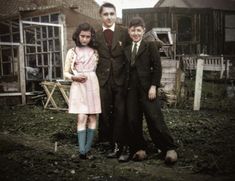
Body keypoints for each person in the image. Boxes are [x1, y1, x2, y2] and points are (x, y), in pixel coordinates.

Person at [125, 17, 178, 164]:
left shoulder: (150, 46)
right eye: (133, 30)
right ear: (129, 31)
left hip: (148, 89)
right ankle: (140, 148)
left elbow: (157, 68)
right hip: (131, 91)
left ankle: (168, 148)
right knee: (133, 120)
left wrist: (154, 86)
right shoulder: (127, 49)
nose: (135, 33)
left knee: (154, 118)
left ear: (143, 31)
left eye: (138, 30)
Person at [95, 2, 131, 162]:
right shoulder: (95, 35)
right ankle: (110, 142)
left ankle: (120, 144)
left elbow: (138, 45)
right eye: (105, 14)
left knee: (120, 112)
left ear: (115, 15)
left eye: (111, 14)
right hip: (103, 79)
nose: (109, 17)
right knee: (104, 112)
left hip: (121, 79)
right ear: (100, 16)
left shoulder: (124, 32)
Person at [64, 23, 101, 160]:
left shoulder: (95, 52)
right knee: (81, 117)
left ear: (91, 37)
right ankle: (81, 150)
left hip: (92, 84)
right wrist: (74, 77)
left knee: (92, 117)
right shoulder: (72, 52)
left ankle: (87, 149)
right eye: (82, 36)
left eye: (88, 36)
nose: (85, 39)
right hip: (79, 85)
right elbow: (65, 72)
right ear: (77, 36)